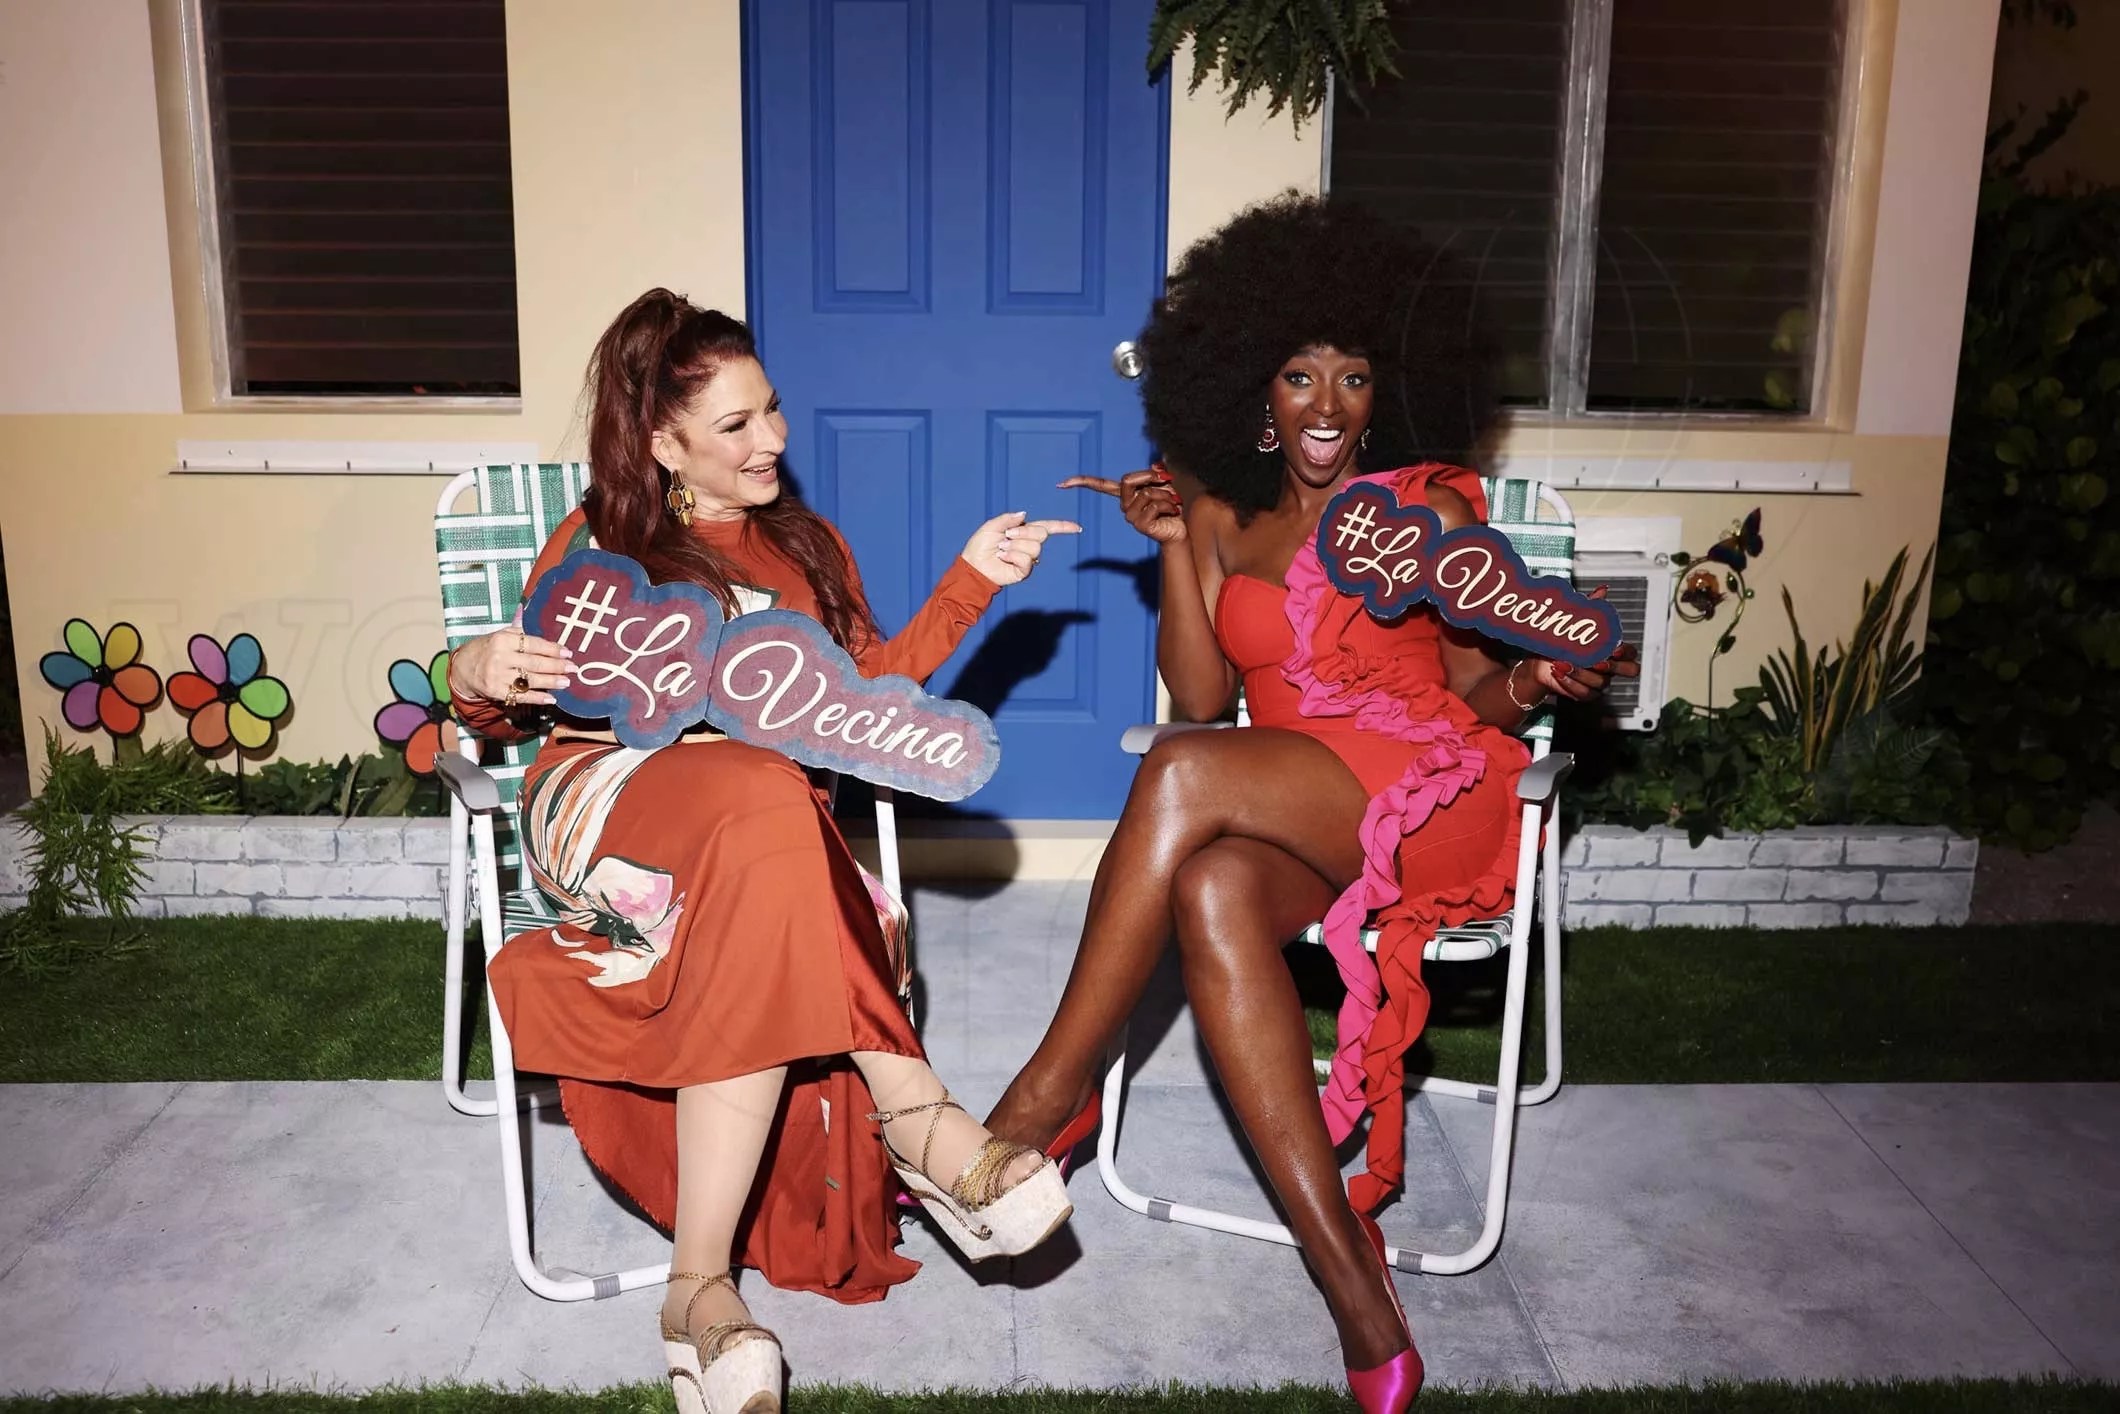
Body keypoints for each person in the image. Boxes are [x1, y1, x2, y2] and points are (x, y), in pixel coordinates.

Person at [981, 194, 1636, 1413]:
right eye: (1297, 375)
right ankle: (1354, 1290)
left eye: (1351, 376)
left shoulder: (1422, 514)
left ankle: (1040, 1103)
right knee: (1208, 884)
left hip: (1426, 786)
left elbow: (1470, 693)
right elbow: (1198, 695)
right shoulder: (1220, 513)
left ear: (1384, 394)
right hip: (1292, 804)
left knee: (1180, 774)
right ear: (1255, 391)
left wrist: (1535, 681)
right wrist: (1172, 540)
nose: (1325, 404)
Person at [447, 289, 1082, 1414]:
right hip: (607, 802)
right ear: (664, 444)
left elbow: (865, 696)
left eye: (772, 409)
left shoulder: (804, 543)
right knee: (763, 793)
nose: (774, 439)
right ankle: (918, 1114)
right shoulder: (603, 544)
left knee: (769, 808)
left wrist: (973, 579)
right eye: (736, 424)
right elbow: (504, 699)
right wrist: (476, 667)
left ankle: (696, 1293)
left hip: (763, 832)